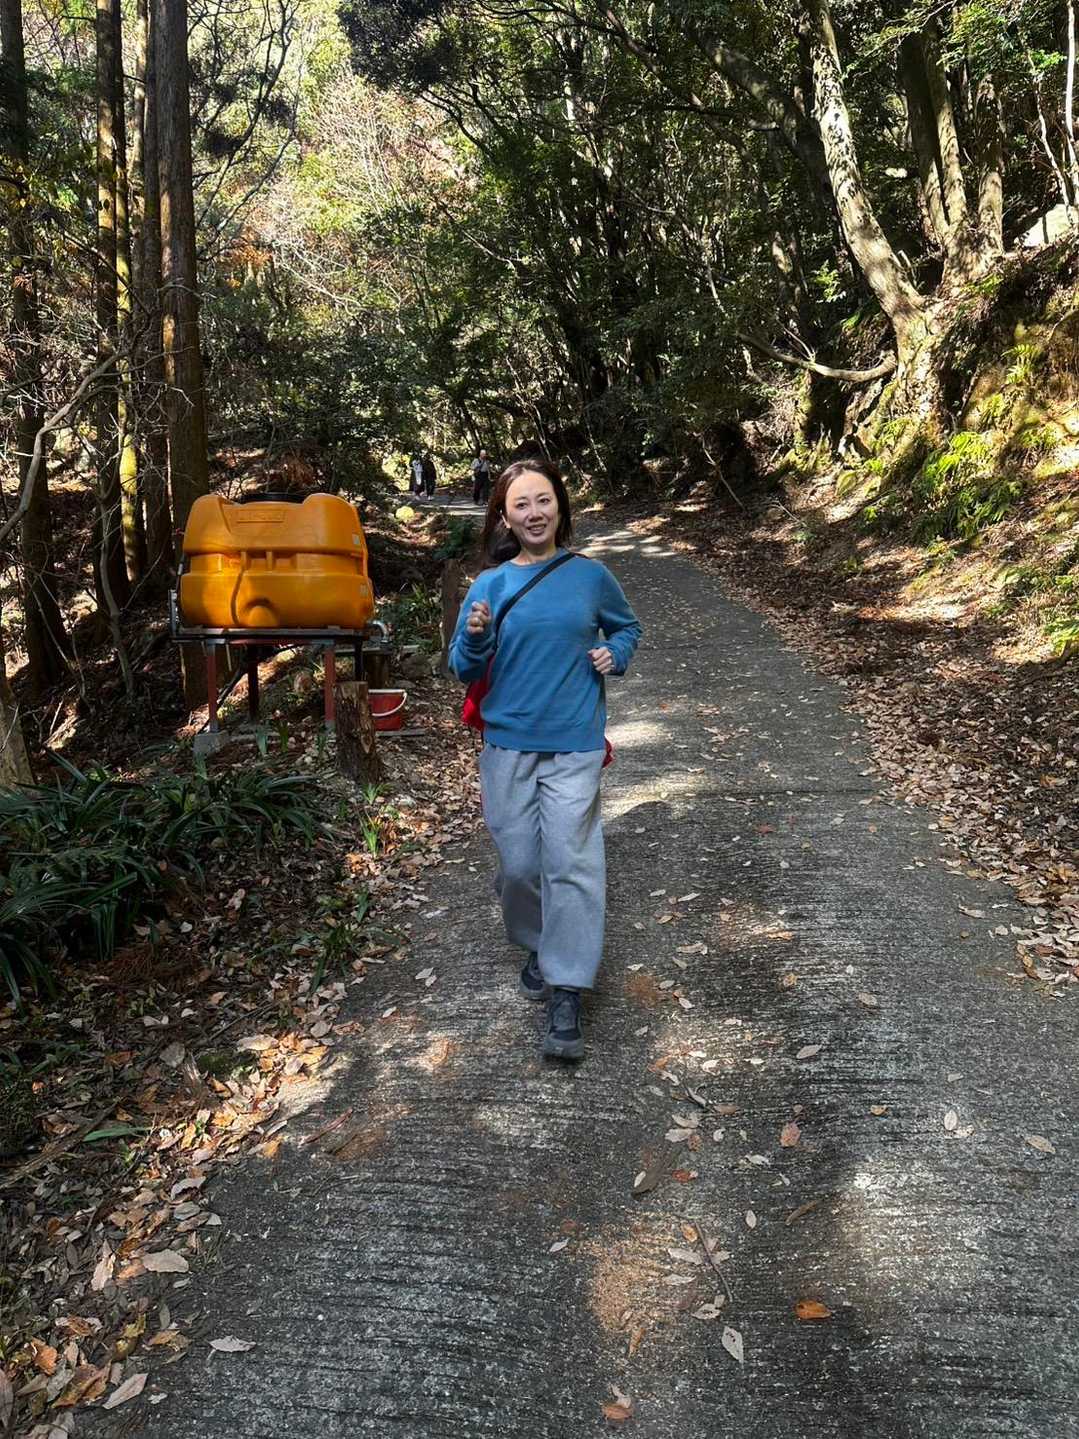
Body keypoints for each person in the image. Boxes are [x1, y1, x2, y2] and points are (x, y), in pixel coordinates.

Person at [448, 459, 641, 1060]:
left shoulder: (591, 577)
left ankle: (567, 988)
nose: (534, 513)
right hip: (507, 743)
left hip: (575, 741)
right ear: (504, 517)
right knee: (520, 865)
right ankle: (535, 940)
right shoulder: (489, 586)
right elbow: (461, 667)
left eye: (543, 500)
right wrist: (475, 637)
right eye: (521, 505)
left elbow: (626, 628)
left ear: (560, 505)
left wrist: (614, 653)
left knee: (571, 863)